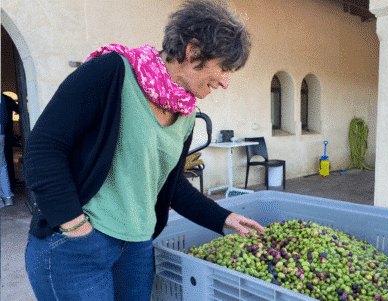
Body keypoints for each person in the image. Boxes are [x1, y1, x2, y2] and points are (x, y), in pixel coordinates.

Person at [24, 1, 264, 300]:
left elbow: (170, 185)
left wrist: (223, 218)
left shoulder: (186, 113)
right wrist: (74, 226)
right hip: (78, 247)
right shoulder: (111, 72)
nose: (226, 82)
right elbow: (44, 147)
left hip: (136, 247)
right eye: (224, 68)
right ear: (193, 52)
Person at [0, 94, 17, 208]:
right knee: (2, 165)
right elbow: (5, 117)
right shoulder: (2, 97)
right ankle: (8, 197)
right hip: (1, 133)